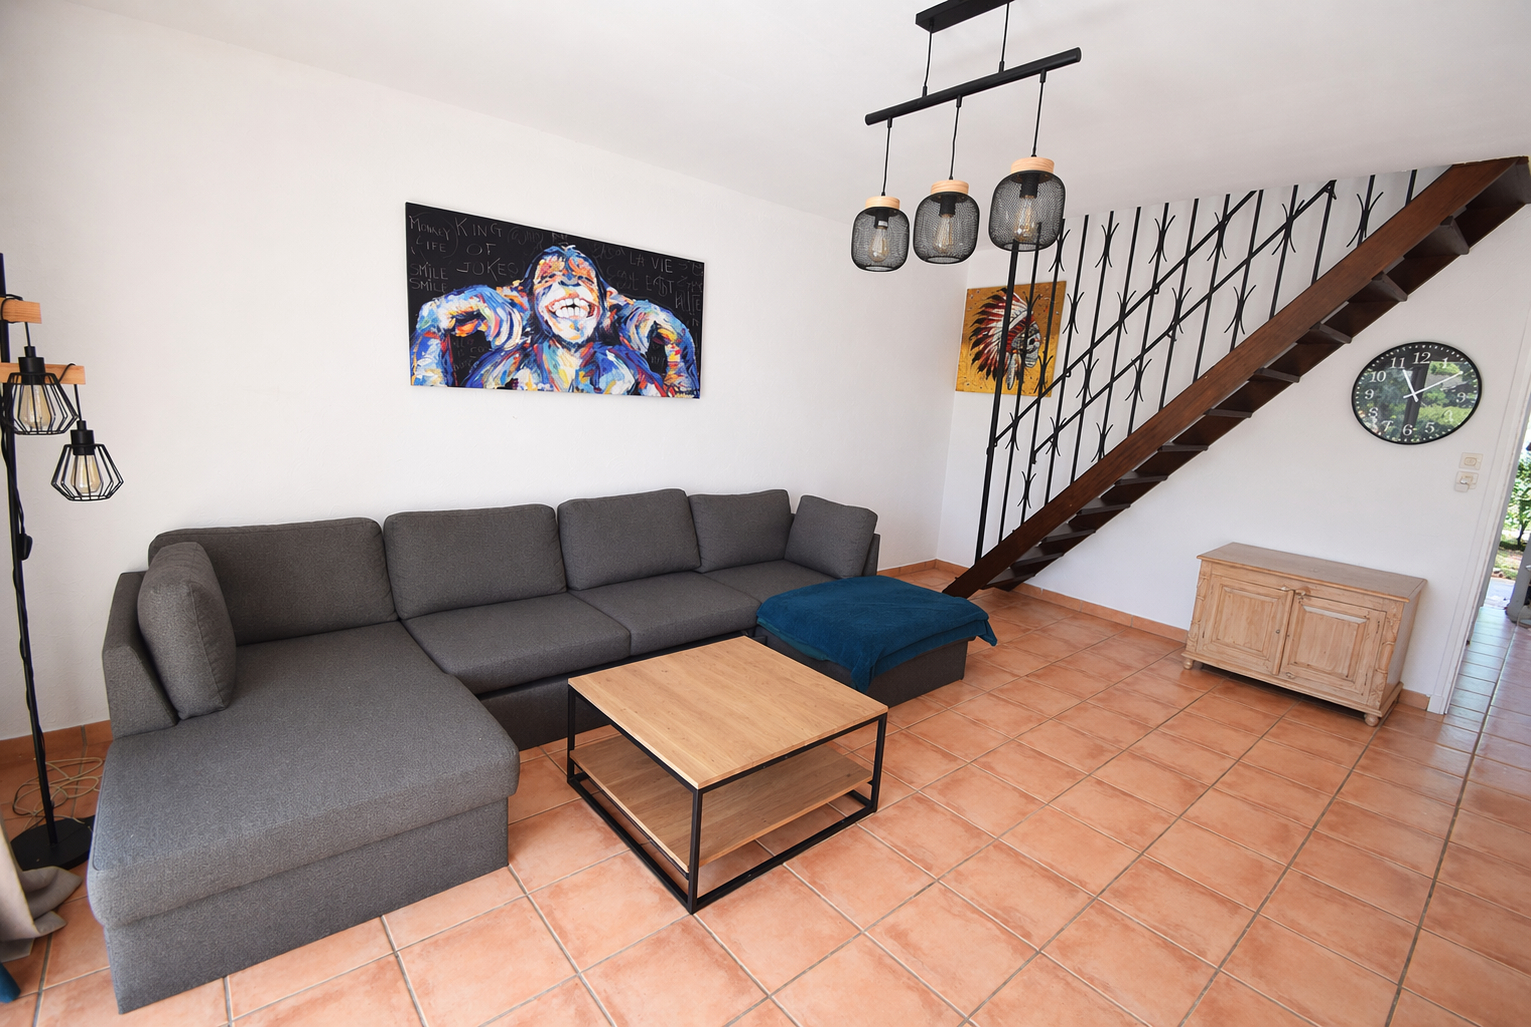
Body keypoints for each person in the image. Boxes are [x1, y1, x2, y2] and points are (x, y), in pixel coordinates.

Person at [410, 245, 698, 396]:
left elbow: (681, 409)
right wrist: (433, 320)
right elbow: (441, 414)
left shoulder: (626, 367)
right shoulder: (508, 366)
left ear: (605, 305)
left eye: (584, 277)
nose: (569, 281)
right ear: (528, 301)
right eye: (549, 277)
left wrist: (678, 341)